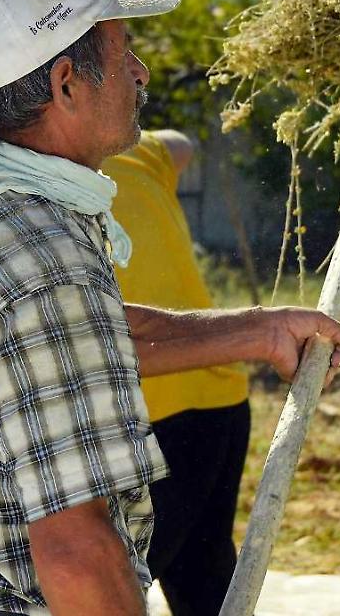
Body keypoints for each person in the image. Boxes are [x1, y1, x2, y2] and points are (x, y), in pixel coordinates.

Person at [0, 0, 340, 616]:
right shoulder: (37, 262)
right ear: (66, 83)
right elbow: (77, 553)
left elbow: (69, 345)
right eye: (125, 56)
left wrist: (259, 331)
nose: (142, 74)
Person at [101, 131, 250, 616]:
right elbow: (183, 143)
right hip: (219, 392)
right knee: (202, 573)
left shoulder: (25, 187)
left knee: (117, 585)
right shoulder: (136, 153)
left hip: (150, 409)